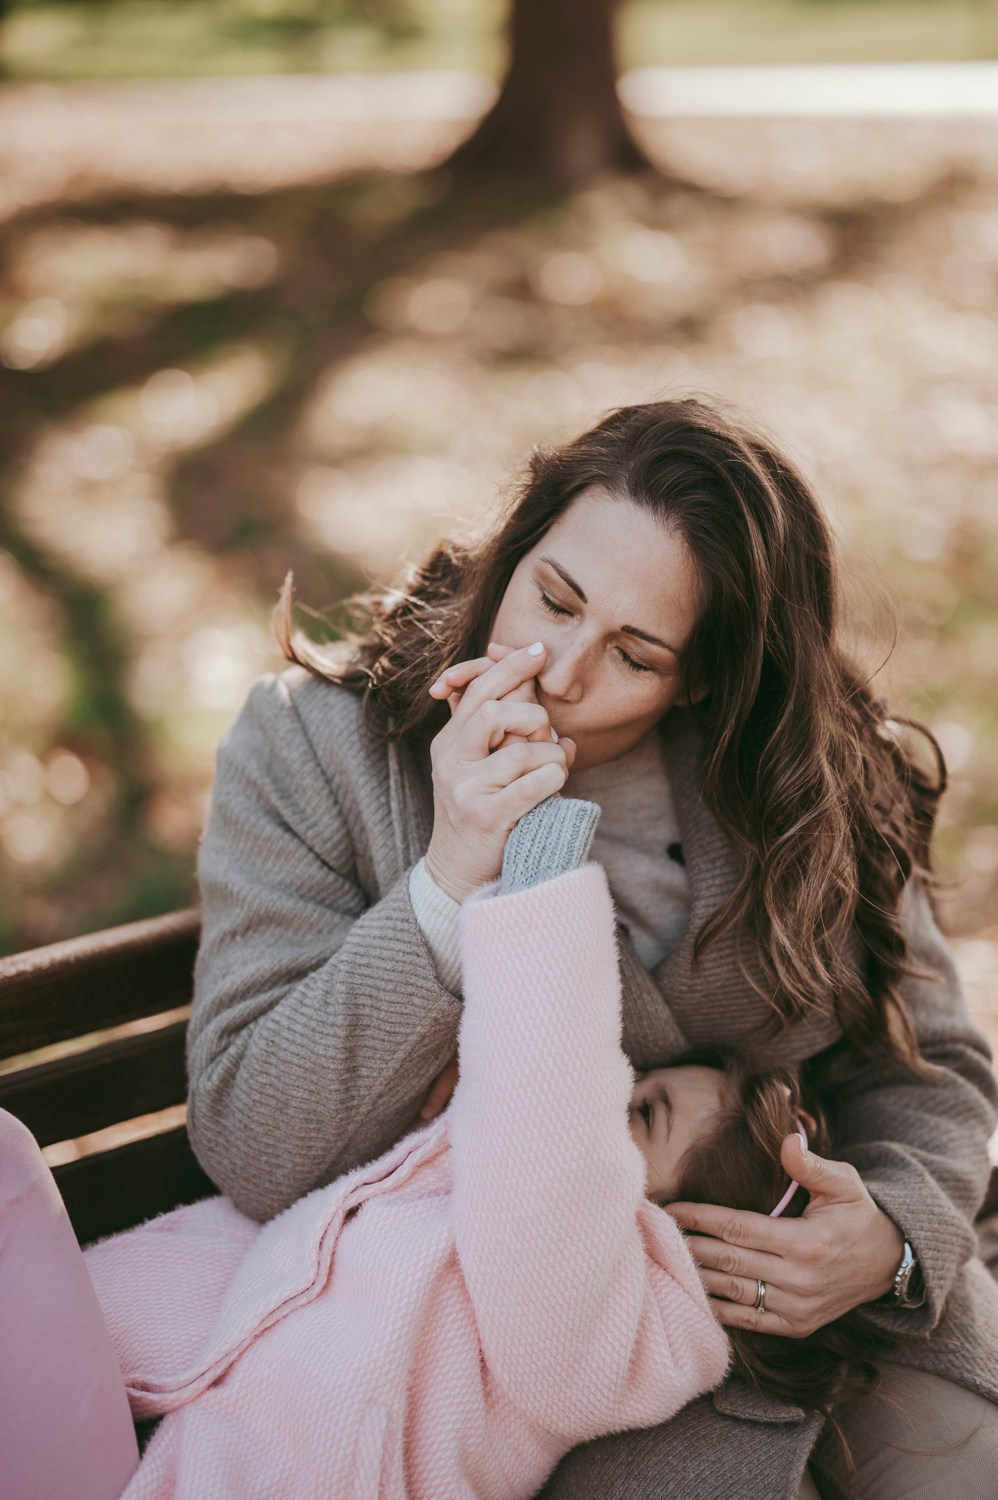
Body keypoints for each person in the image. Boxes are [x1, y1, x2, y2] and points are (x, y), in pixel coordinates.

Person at [186, 398, 998, 1498]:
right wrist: (450, 876)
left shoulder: (802, 778)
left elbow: (927, 1064)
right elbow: (251, 1135)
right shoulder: (311, 750)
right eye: (553, 597)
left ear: (703, 677)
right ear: (513, 549)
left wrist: (893, 1238)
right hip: (521, 1384)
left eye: (634, 653)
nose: (559, 670)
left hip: (846, 1323)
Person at [1, 793, 851, 1500]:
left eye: (643, 1117)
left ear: (692, 1231)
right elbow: (273, 1272)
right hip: (121, 1438)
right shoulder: (456, 1195)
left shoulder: (614, 1330)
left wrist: (539, 895)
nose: (607, 1102)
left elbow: (553, 1183)